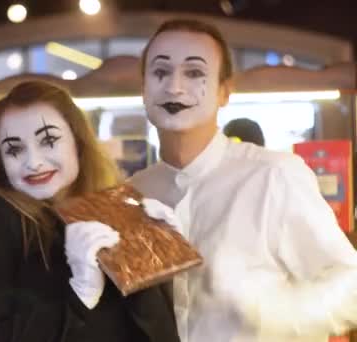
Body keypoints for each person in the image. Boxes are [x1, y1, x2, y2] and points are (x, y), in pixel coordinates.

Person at [130, 19, 357, 341]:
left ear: (225, 92)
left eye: (194, 73)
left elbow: (350, 283)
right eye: (160, 73)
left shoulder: (273, 176)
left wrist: (276, 317)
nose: (174, 87)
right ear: (143, 89)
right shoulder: (135, 192)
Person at [0, 81, 180, 342]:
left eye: (48, 140)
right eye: (14, 149)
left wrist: (157, 261)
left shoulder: (113, 209)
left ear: (78, 141)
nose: (33, 162)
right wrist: (79, 294)